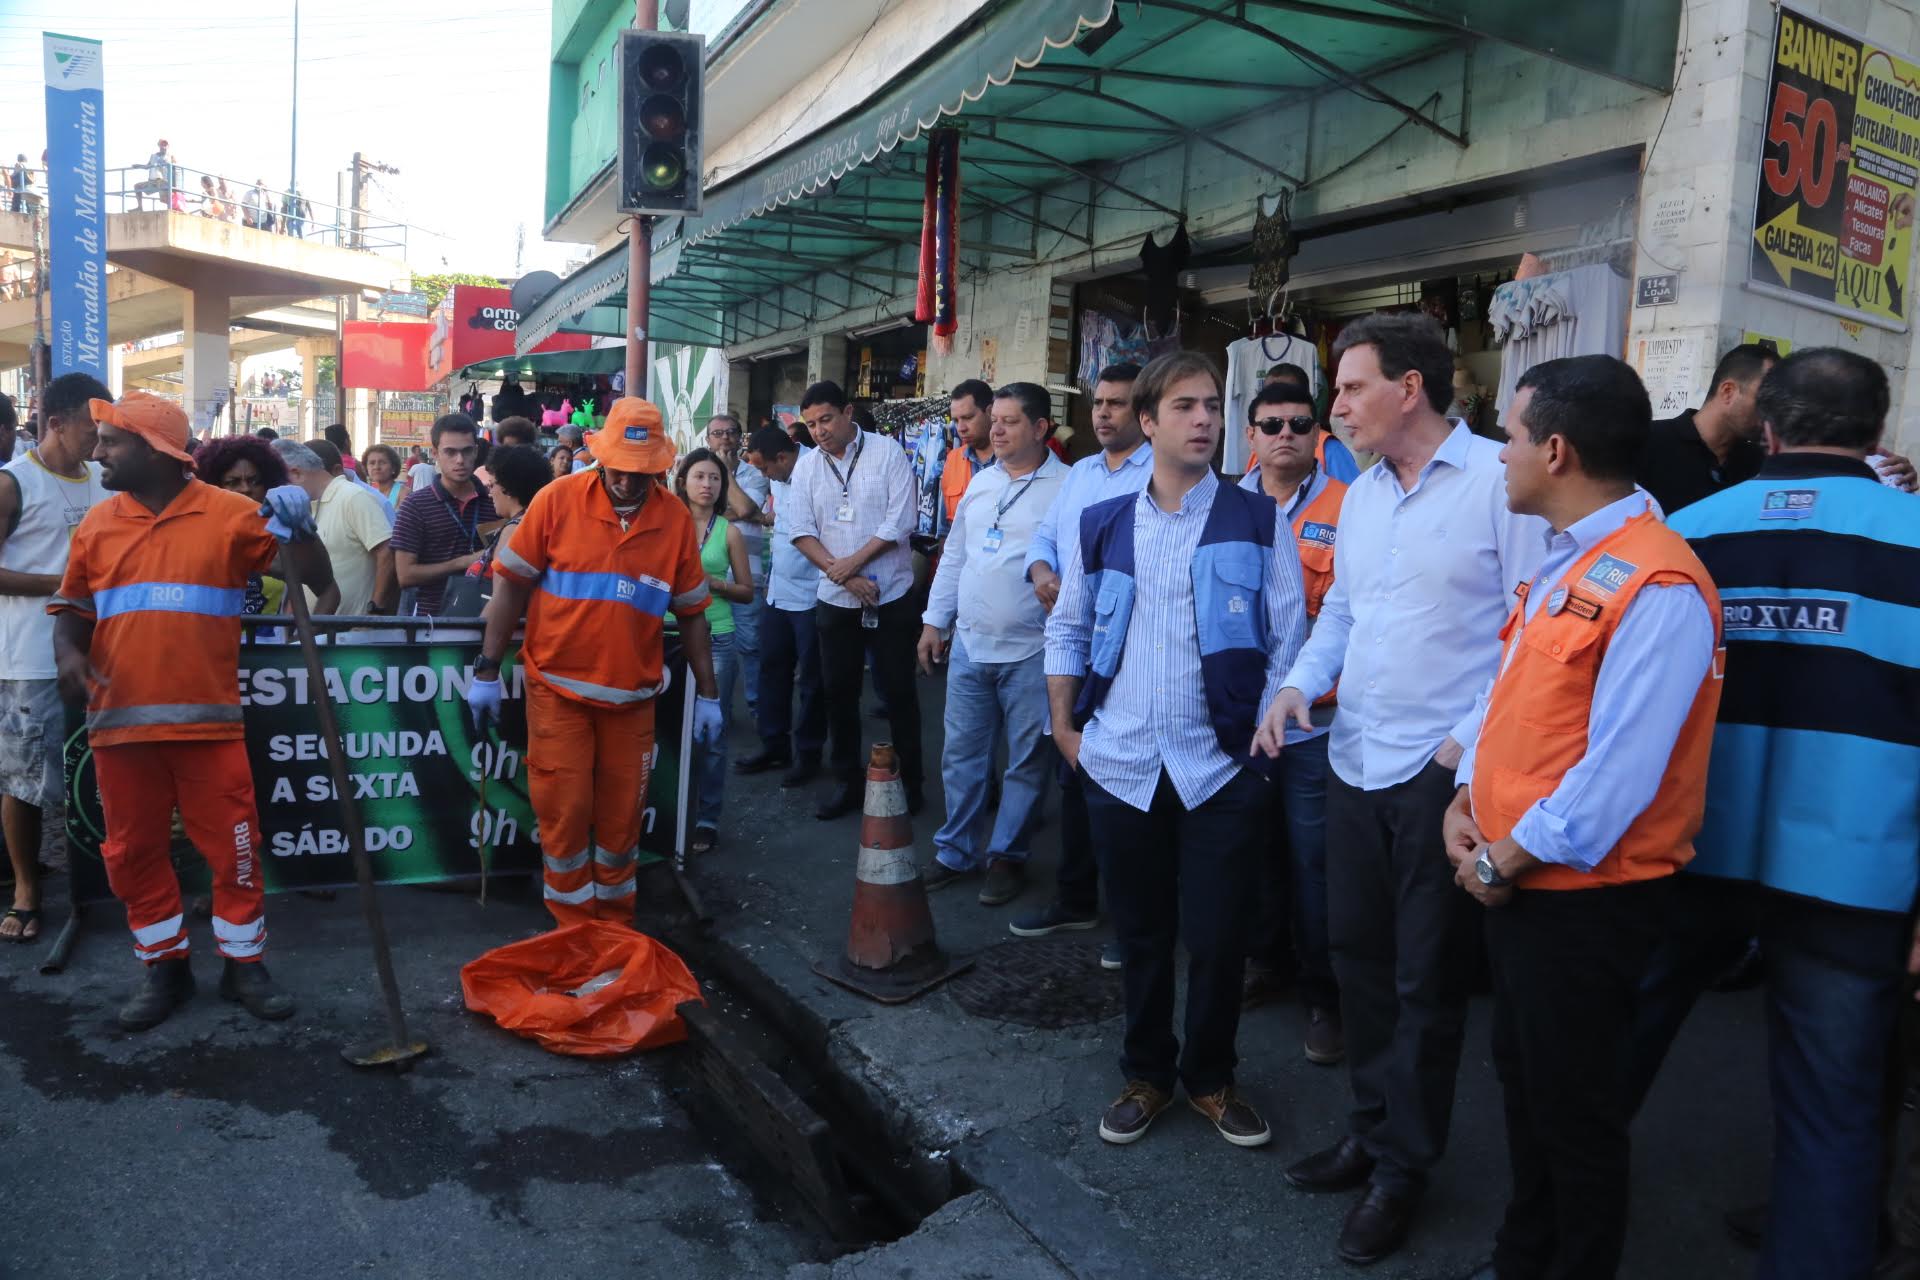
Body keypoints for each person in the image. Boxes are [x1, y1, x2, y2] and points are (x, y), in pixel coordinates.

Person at [1627, 349, 1919, 1280]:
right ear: (1876, 436)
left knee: (1605, 1058)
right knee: (1835, 1107)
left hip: (1684, 851)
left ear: (1768, 427)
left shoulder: (1686, 534)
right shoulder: (1913, 538)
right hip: (1858, 868)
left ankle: (1551, 1236)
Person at [1262, 312, 1542, 1267]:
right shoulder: (1363, 496)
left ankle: (1403, 1170)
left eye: (1349, 388)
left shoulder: (1501, 486)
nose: (1332, 408)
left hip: (1439, 776)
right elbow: (1341, 607)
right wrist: (1299, 683)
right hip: (1353, 757)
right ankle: (1371, 1128)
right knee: (1357, 958)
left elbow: (1527, 635)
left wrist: (1459, 750)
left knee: (1427, 980)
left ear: (1411, 388)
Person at [1435, 355, 1723, 1280]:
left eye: (1509, 438)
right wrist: (1463, 801)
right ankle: (1526, 1255)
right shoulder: (1571, 562)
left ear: (1554, 450)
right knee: (1527, 1092)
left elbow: (1617, 778)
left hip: (1583, 903)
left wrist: (1496, 863)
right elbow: (1514, 699)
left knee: (1578, 1117)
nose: (1500, 455)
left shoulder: (1659, 584)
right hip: (1521, 885)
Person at [1047, 350, 1307, 1151]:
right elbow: (1068, 626)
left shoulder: (1258, 518)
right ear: (1149, 421)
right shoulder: (1103, 521)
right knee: (1141, 934)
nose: (1205, 420)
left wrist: (1260, 751)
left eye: (1211, 407)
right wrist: (1066, 730)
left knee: (1221, 934)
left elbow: (1287, 639)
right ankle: (1148, 1075)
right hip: (1120, 760)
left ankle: (1211, 1078)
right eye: (1185, 407)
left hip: (1221, 766)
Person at [51, 390, 333, 1029]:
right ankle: (164, 968)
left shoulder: (233, 515)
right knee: (132, 854)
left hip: (210, 727)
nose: (97, 455)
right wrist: (68, 654)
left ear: (155, 451)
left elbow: (310, 576)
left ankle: (243, 965)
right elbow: (71, 611)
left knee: (234, 851)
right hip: (120, 728)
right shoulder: (97, 525)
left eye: (111, 443)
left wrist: (300, 526)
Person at [469, 398, 723, 927]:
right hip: (558, 693)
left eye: (644, 472)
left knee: (620, 824)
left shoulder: (673, 519)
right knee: (565, 817)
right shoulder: (557, 501)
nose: (630, 482)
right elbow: (510, 589)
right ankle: (573, 930)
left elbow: (694, 613)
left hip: (632, 699)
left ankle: (614, 928)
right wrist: (488, 669)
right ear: (601, 457)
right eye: (622, 470)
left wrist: (710, 696)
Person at [1008, 362, 1147, 961]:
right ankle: (1075, 898)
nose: (1103, 414)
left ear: (1144, 413)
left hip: (1132, 649)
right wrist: (1042, 571)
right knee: (1075, 776)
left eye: (1116, 404)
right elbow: (1046, 538)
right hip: (1073, 645)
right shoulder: (1083, 473)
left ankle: (1135, 920)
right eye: (1098, 403)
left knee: (1128, 785)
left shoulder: (1159, 474)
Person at [918, 382, 1069, 906]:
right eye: (995, 419)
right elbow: (955, 557)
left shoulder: (1068, 489)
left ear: (1041, 429)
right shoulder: (981, 484)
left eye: (1009, 422)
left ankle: (1008, 856)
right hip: (969, 646)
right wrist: (934, 621)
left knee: (1026, 760)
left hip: (1034, 651)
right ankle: (955, 850)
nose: (996, 430)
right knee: (961, 755)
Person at [1236, 383, 1349, 1066]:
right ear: (1249, 434)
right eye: (1270, 424)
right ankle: (1262, 960)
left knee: (1315, 864)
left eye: (1299, 424)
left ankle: (1324, 996)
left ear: (1318, 436)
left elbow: (1348, 619)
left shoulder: (1350, 508)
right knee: (1249, 852)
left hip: (1314, 725)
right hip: (1239, 723)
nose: (1285, 434)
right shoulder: (1222, 505)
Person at [0, 372, 110, 944]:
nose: (100, 439)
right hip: (29, 660)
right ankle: (25, 889)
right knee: (24, 779)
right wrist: (66, 585)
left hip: (97, 657)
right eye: (92, 428)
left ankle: (98, 880)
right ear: (56, 423)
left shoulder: (102, 480)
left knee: (95, 772)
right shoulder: (13, 484)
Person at [786, 380, 924, 819]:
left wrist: (852, 566)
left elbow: (900, 521)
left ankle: (910, 785)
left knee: (899, 693)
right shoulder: (807, 467)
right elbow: (799, 530)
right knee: (838, 693)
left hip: (891, 594)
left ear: (847, 413)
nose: (819, 431)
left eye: (826, 419)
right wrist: (842, 574)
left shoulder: (887, 453)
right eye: (810, 425)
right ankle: (848, 782)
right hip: (835, 599)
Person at [734, 426, 827, 785]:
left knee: (812, 680)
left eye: (764, 469)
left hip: (814, 591)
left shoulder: (817, 470)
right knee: (772, 667)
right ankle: (774, 744)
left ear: (783, 458)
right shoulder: (779, 475)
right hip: (779, 590)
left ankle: (808, 753)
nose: (763, 475)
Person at [675, 447, 755, 854]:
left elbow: (746, 591)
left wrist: (714, 583)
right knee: (665, 727)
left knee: (711, 733)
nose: (707, 485)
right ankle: (667, 813)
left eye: (715, 479)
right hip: (666, 636)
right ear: (683, 482)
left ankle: (706, 819)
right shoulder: (666, 524)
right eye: (699, 477)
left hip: (717, 637)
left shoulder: (730, 532)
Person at [193, 434, 332, 618]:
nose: (245, 488)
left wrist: (299, 642)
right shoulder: (200, 532)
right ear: (214, 485)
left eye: (254, 481)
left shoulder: (279, 532)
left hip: (270, 646)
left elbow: (328, 590)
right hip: (216, 644)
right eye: (233, 482)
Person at [1635, 343, 1775, 516]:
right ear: (1728, 392)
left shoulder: (1761, 465)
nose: (1773, 412)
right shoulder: (1646, 443)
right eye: (1766, 400)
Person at [273, 439, 393, 617]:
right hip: (315, 635)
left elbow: (387, 552)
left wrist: (374, 612)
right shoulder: (307, 507)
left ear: (296, 473)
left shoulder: (353, 497)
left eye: (278, 483)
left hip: (352, 636)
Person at [392, 413, 496, 615]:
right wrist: (464, 562)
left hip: (483, 618)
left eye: (467, 451)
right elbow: (405, 575)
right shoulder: (415, 505)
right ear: (435, 453)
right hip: (431, 622)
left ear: (476, 452)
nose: (460, 460)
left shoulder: (493, 503)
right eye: (450, 452)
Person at [708, 413, 769, 723]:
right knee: (718, 651)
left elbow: (746, 508)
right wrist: (739, 513)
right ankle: (719, 714)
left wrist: (727, 474)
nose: (725, 439)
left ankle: (759, 713)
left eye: (731, 432)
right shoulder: (699, 473)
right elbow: (695, 514)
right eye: (718, 433)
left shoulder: (754, 473)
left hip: (747, 577)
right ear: (708, 440)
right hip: (709, 579)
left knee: (750, 647)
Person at [941, 379, 996, 525]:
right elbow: (946, 529)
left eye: (968, 418)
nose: (960, 428)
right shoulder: (952, 460)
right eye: (956, 420)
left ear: (990, 412)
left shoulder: (1015, 460)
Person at [360, 443, 404, 511]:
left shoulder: (404, 494)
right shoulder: (367, 493)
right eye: (372, 463)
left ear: (393, 467)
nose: (376, 467)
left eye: (382, 463)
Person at [132, 140, 170, 209]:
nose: (163, 146)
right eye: (162, 145)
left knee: (164, 199)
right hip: (152, 181)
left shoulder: (170, 157)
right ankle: (140, 207)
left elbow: (176, 170)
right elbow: (147, 167)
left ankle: (170, 208)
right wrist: (138, 165)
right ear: (159, 146)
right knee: (137, 186)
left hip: (163, 181)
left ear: (168, 146)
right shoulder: (153, 156)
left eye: (165, 145)